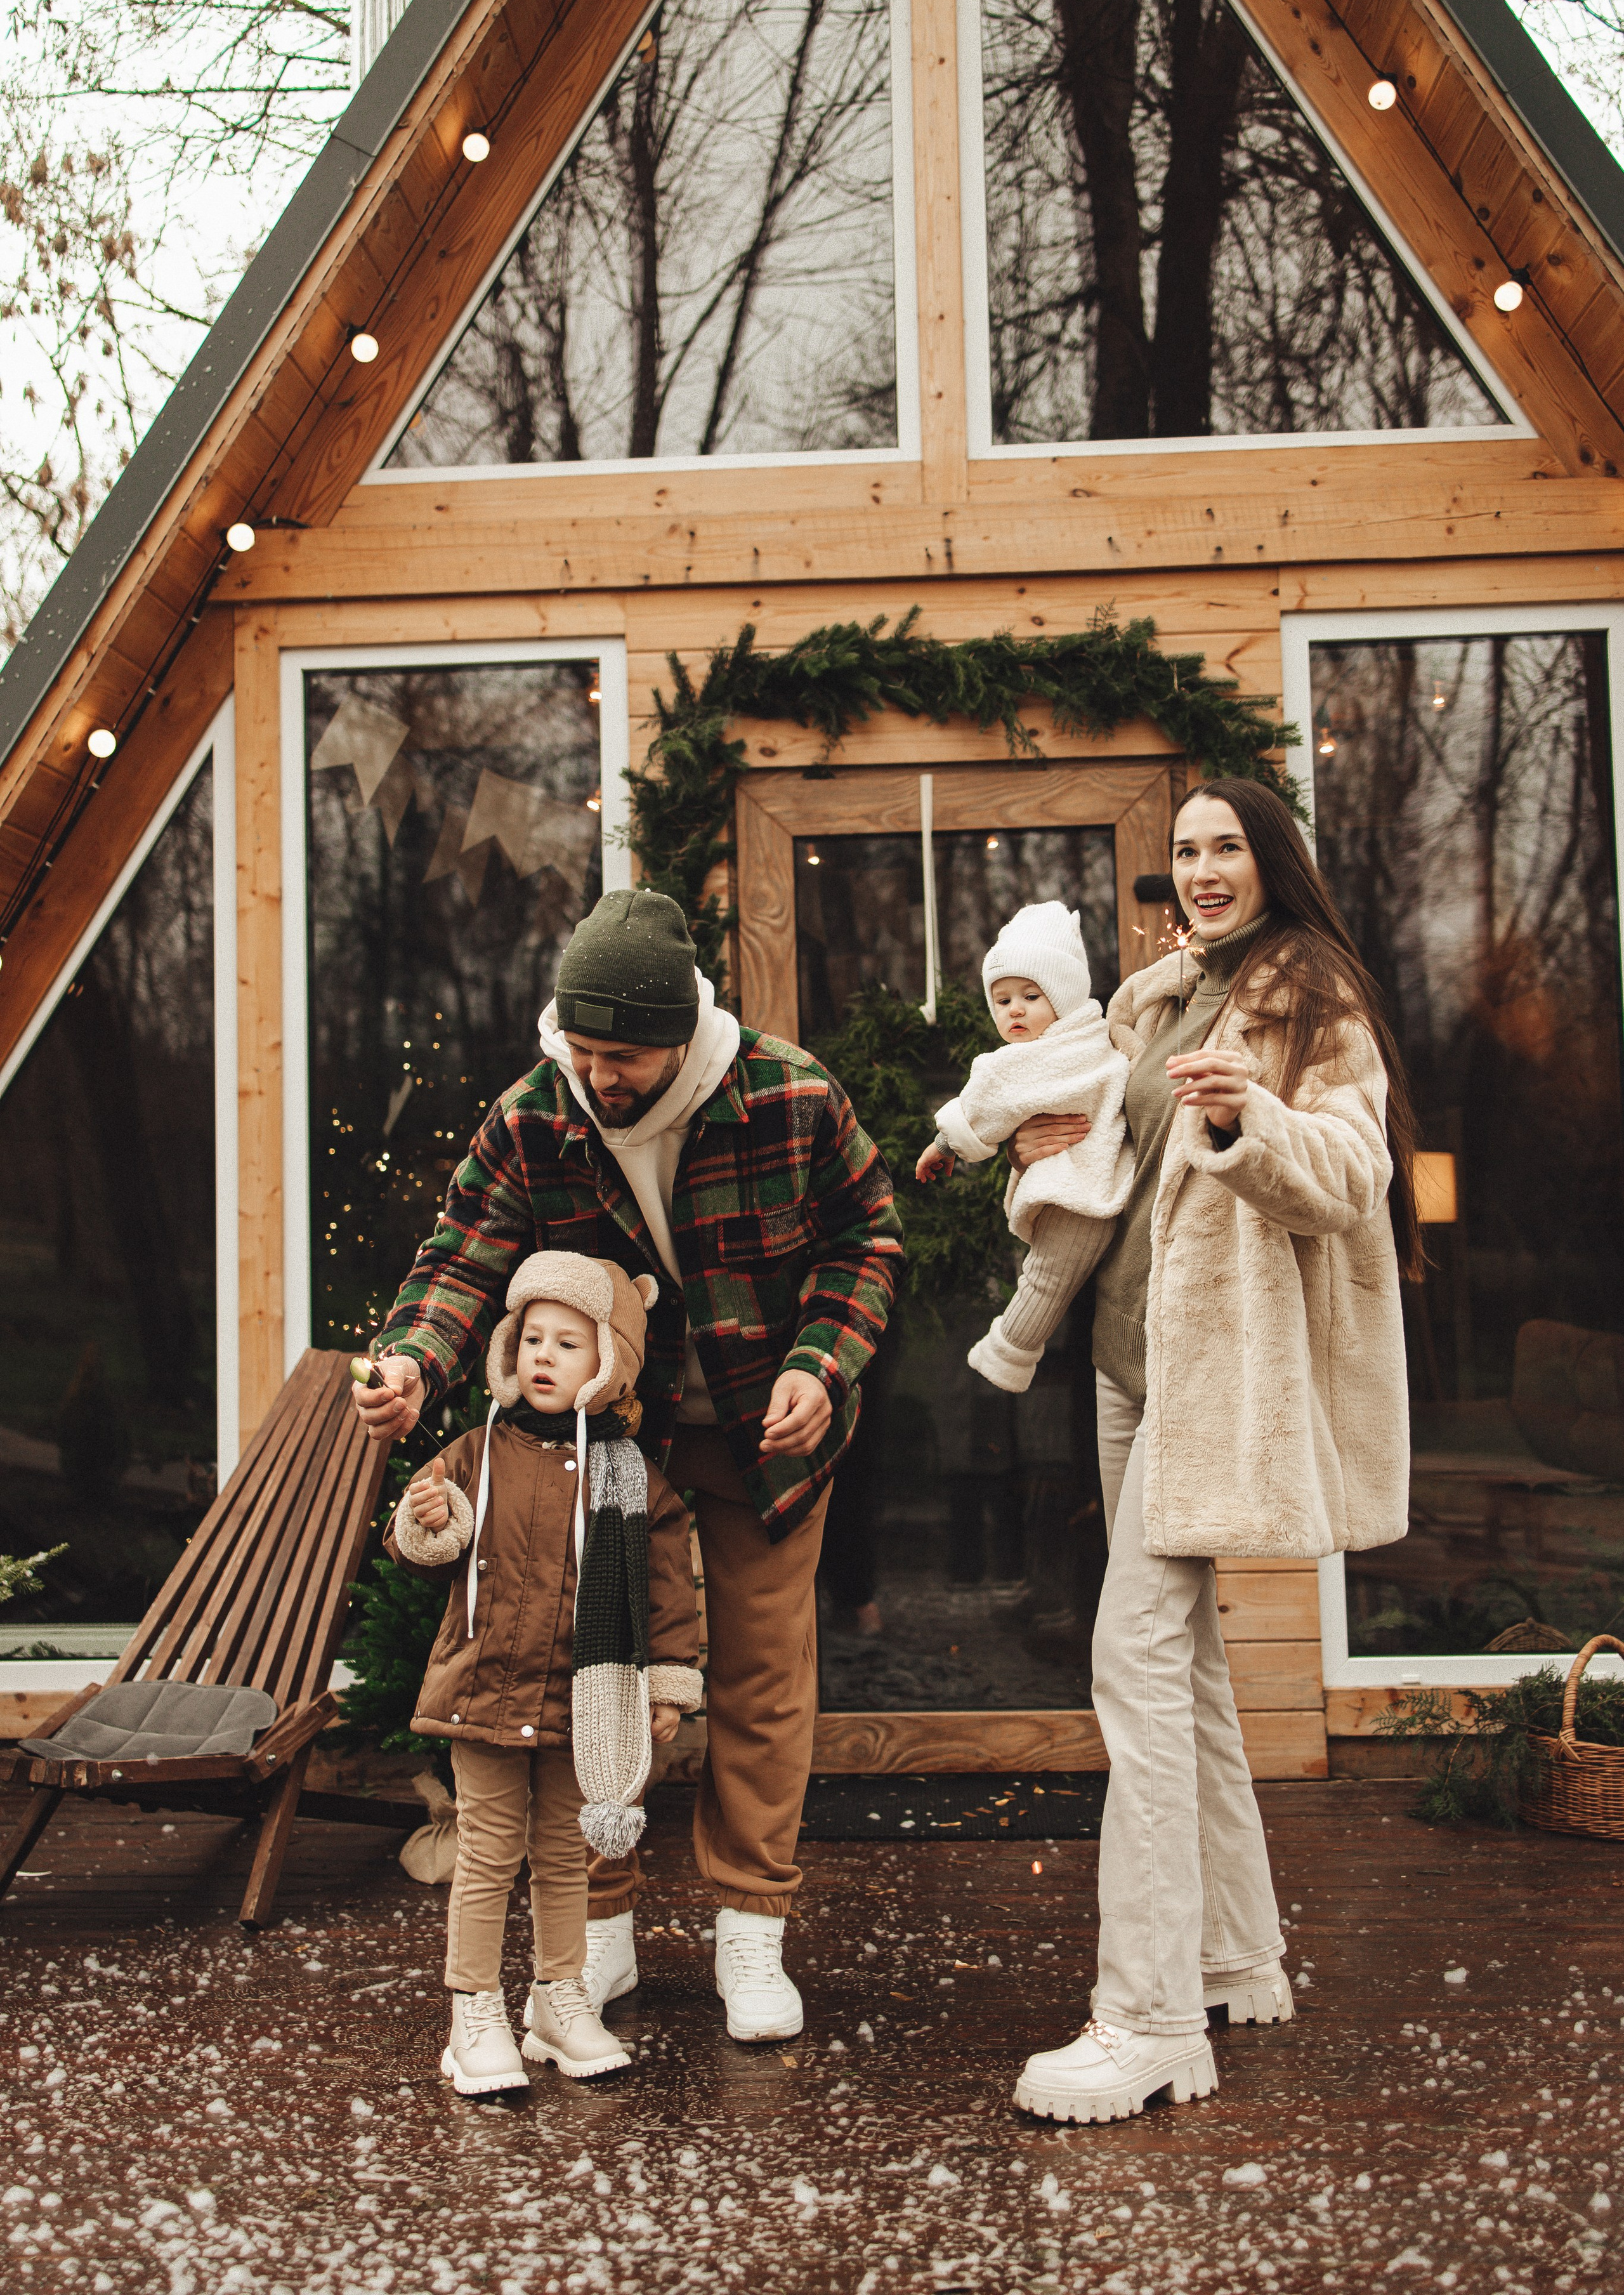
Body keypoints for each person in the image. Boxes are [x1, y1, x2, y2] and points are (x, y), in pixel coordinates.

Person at [355, 888, 901, 2044]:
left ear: (684, 1031)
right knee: (585, 1673)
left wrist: (824, 1362)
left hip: (769, 1427)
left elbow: (868, 1240)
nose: (601, 1075)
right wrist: (412, 1361)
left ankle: (751, 1936)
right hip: (607, 1444)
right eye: (585, 1050)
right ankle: (587, 1939)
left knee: (758, 1676)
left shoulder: (791, 1095)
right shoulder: (534, 1114)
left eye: (626, 1054)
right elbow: (462, 1259)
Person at [1011, 779, 1418, 2126]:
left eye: (1224, 847)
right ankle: (1238, 1958)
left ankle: (1147, 2020)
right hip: (1127, 1368)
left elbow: (1351, 1177)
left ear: (1267, 860)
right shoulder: (1154, 995)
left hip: (1208, 1376)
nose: (1199, 868)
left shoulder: (1313, 995)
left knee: (1129, 1662)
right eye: (1183, 850)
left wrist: (1249, 1118)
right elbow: (1114, 1157)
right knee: (1179, 1672)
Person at [384, 1251, 702, 2096]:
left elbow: (668, 1586)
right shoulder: (474, 1452)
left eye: (569, 1342)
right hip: (483, 1689)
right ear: (507, 1350)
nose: (545, 1356)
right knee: (488, 1852)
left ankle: (558, 2000)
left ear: (610, 1363)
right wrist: (429, 1523)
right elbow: (428, 1544)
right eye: (532, 1338)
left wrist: (667, 1681)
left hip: (582, 1700)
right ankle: (473, 2010)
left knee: (566, 1856)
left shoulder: (632, 1475)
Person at [915, 900, 1132, 1391]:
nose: (1015, 1009)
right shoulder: (1085, 1042)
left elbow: (985, 1101)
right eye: (1003, 1000)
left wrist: (944, 1143)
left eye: (1031, 996)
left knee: (1047, 1280)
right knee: (1046, 1277)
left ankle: (1010, 1353)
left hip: (1076, 1187)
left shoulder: (1036, 1058)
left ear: (1065, 996)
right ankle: (1013, 1354)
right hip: (1084, 1185)